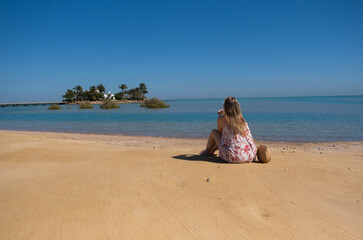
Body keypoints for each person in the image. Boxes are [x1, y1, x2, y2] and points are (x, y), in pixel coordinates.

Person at [200, 96, 257, 163]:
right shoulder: (242, 121)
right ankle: (212, 150)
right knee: (229, 140)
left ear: (225, 108)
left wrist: (224, 114)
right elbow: (232, 116)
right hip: (250, 155)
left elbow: (219, 133)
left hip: (233, 157)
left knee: (214, 132)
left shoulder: (221, 120)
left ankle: (207, 152)